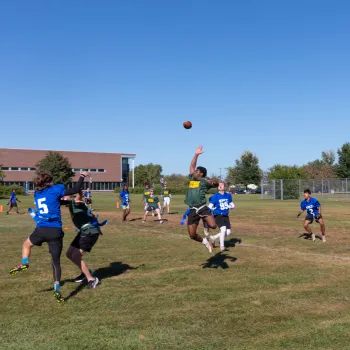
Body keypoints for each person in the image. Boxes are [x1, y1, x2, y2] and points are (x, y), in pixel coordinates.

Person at [9, 171, 89, 302]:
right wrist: (82, 176)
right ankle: (56, 287)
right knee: (55, 262)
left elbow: (54, 202)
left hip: (41, 229)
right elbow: (75, 189)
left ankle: (25, 262)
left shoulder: (37, 193)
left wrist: (66, 203)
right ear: (50, 182)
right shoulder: (56, 189)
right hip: (55, 231)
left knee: (26, 244)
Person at [64, 190, 107, 288]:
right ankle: (84, 272)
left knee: (76, 256)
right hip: (84, 230)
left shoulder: (75, 202)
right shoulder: (71, 205)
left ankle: (92, 279)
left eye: (64, 197)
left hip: (90, 231)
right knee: (69, 254)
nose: (62, 199)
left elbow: (79, 196)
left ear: (69, 197)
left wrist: (79, 190)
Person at [184, 146, 218, 253]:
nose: (194, 171)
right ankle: (205, 242)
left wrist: (214, 183)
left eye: (197, 171)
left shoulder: (204, 181)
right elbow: (192, 165)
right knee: (192, 235)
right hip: (192, 209)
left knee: (213, 225)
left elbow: (216, 184)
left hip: (202, 207)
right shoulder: (191, 178)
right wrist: (196, 154)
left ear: (201, 174)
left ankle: (205, 223)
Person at [208, 182, 235, 252]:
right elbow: (210, 206)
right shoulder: (215, 196)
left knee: (228, 232)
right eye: (219, 185)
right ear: (217, 187)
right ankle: (222, 246)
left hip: (226, 215)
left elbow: (232, 204)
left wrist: (231, 206)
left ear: (224, 187)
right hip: (218, 215)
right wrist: (211, 210)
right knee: (223, 229)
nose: (220, 186)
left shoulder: (228, 195)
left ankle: (213, 237)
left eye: (222, 185)